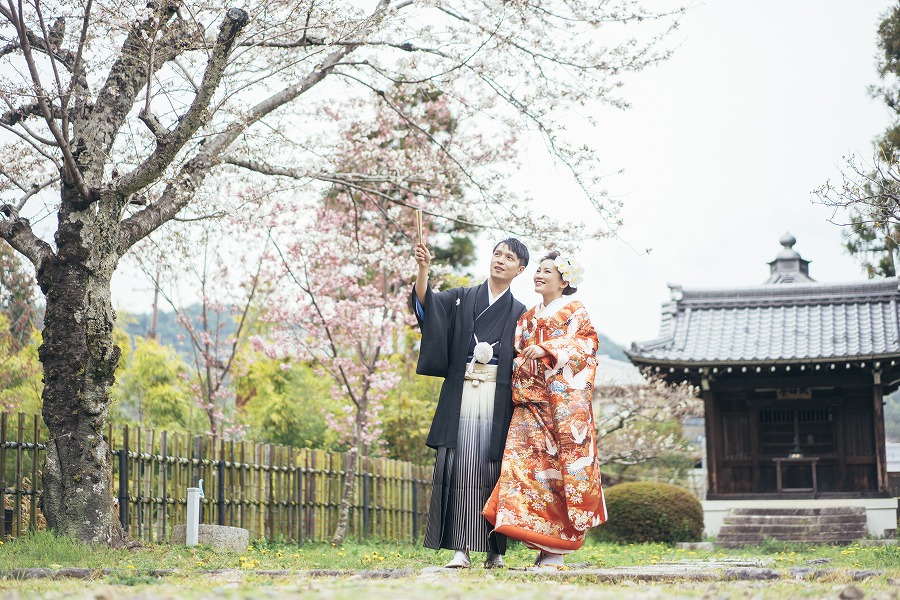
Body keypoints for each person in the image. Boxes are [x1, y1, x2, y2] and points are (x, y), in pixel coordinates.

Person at [482, 251, 607, 569]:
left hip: (557, 411)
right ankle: (540, 544)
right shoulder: (526, 317)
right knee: (522, 475)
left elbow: (586, 346)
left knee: (555, 478)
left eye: (547, 271)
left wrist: (550, 349)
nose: (539, 275)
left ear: (564, 280)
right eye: (537, 270)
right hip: (526, 410)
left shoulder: (575, 311)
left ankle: (555, 551)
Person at [412, 238, 529, 569]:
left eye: (509, 258)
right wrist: (423, 269)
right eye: (497, 254)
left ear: (519, 270)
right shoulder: (461, 298)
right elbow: (427, 305)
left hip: (497, 400)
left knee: (494, 471)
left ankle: (496, 550)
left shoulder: (521, 313)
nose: (500, 261)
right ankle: (460, 549)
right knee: (459, 467)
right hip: (462, 393)